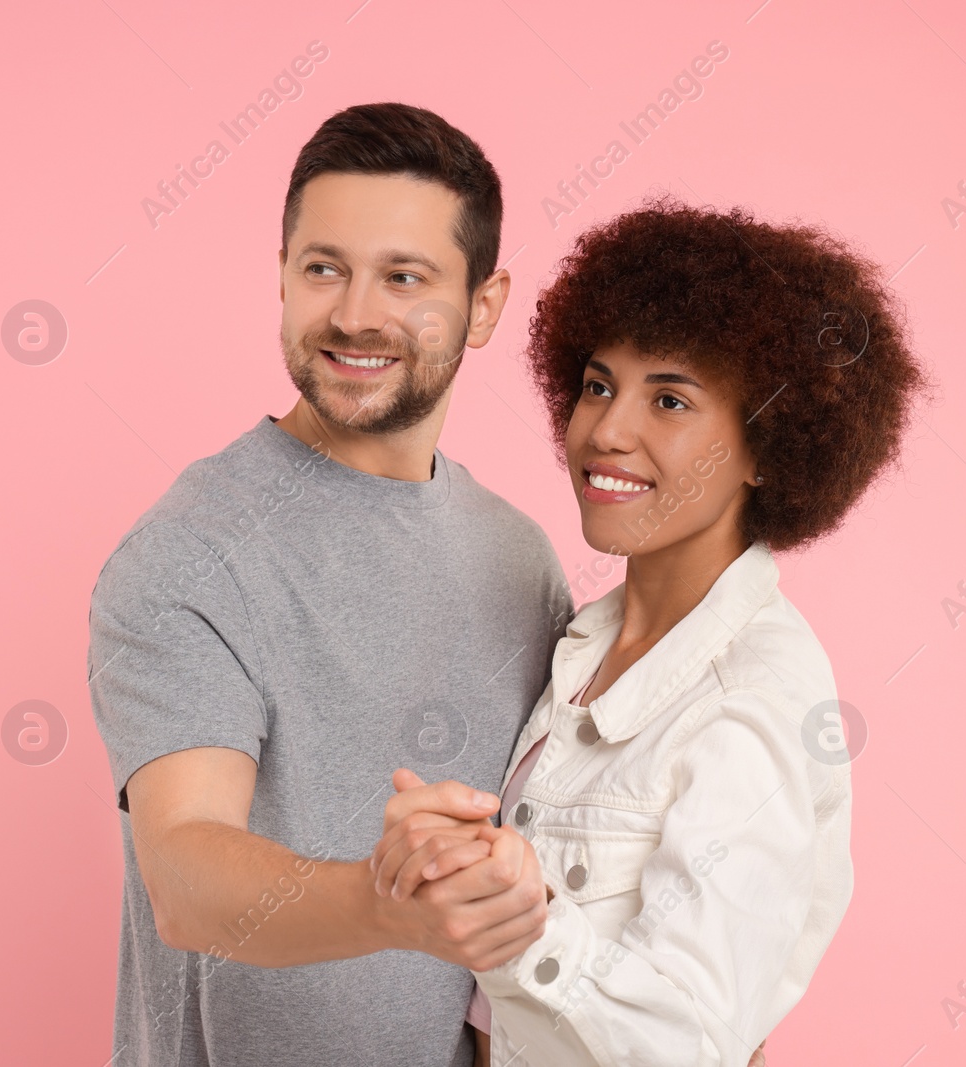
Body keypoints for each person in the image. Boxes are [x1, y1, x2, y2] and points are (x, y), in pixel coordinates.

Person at [371, 197, 928, 1065]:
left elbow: (690, 1038)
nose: (607, 430)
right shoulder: (581, 643)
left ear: (767, 447)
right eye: (598, 384)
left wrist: (515, 916)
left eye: (669, 398)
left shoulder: (751, 702)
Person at [86, 102, 571, 1066]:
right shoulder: (191, 551)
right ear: (281, 276)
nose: (355, 313)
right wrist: (387, 903)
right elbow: (184, 870)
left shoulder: (521, 559)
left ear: (483, 305)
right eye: (324, 268)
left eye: (404, 276)